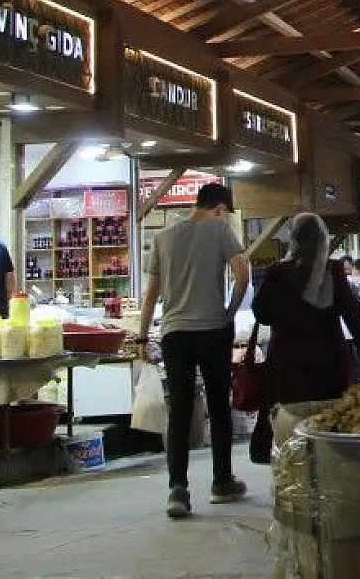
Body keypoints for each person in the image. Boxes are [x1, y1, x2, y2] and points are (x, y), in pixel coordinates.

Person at [134, 182, 251, 520]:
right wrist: (230, 311)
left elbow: (152, 294)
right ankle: (222, 481)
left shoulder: (163, 237)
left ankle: (177, 490)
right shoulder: (219, 228)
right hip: (213, 330)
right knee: (218, 405)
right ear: (219, 208)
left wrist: (142, 338)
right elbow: (242, 272)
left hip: (174, 334)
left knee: (181, 411)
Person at [249, 214, 360, 463]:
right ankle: (324, 480)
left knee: (291, 433)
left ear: (293, 240)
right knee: (328, 431)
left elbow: (262, 313)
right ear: (324, 240)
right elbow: (353, 314)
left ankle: (295, 482)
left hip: (289, 366)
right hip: (329, 366)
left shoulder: (277, 273)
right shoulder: (333, 271)